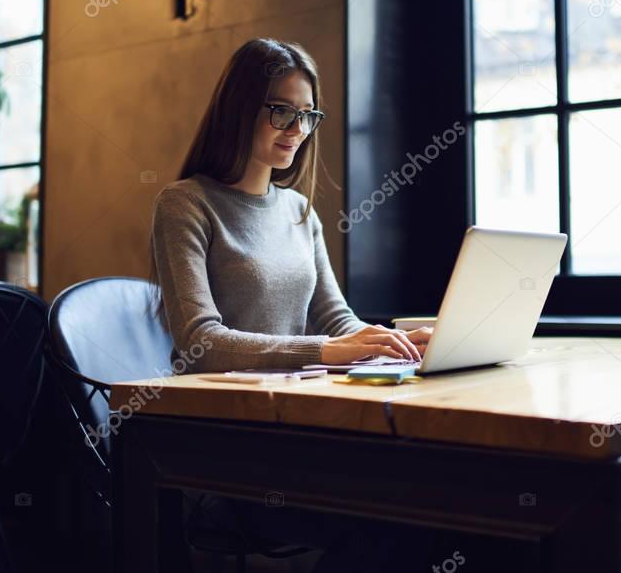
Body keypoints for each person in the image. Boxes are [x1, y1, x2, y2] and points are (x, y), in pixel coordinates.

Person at [149, 37, 436, 571]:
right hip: (234, 450)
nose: (297, 131)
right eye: (282, 111)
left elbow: (337, 318)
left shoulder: (300, 211)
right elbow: (200, 343)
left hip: (304, 433)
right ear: (240, 108)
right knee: (392, 517)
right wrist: (330, 351)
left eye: (308, 116)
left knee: (427, 499)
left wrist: (390, 342)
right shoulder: (185, 203)